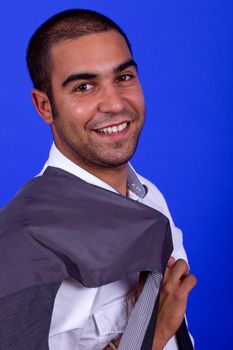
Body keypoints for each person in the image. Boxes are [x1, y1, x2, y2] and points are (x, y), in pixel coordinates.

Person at [0, 9, 197, 350]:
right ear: (44, 106)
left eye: (123, 78)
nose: (115, 103)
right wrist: (151, 335)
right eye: (84, 86)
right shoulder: (22, 245)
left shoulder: (148, 197)